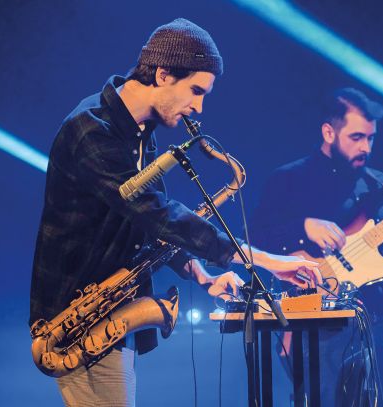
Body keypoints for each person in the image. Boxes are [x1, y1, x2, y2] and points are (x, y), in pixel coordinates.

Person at [29, 18, 320, 407]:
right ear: (163, 75)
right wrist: (264, 260)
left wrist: (202, 276)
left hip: (112, 308)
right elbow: (157, 213)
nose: (198, 107)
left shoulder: (139, 131)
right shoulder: (91, 130)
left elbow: (152, 228)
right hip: (79, 320)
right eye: (196, 90)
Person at [249, 88, 383, 406]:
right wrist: (303, 227)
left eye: (370, 138)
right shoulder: (288, 180)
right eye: (356, 137)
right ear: (328, 132)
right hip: (320, 327)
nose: (365, 147)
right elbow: (255, 241)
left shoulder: (380, 186)